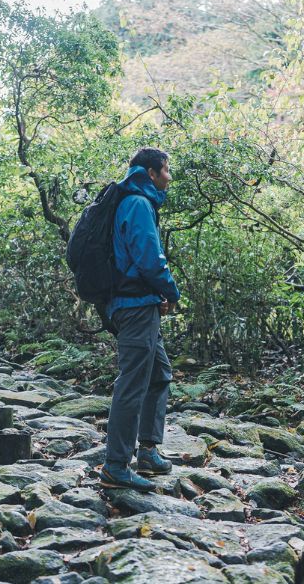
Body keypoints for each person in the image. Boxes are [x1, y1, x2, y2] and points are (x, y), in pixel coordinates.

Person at [100, 147, 180, 492]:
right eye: (165, 170)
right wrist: (171, 291)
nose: (169, 177)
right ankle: (116, 465)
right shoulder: (138, 203)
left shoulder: (133, 200)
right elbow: (149, 258)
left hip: (137, 302)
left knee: (159, 373)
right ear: (150, 172)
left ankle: (147, 450)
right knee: (132, 383)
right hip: (135, 308)